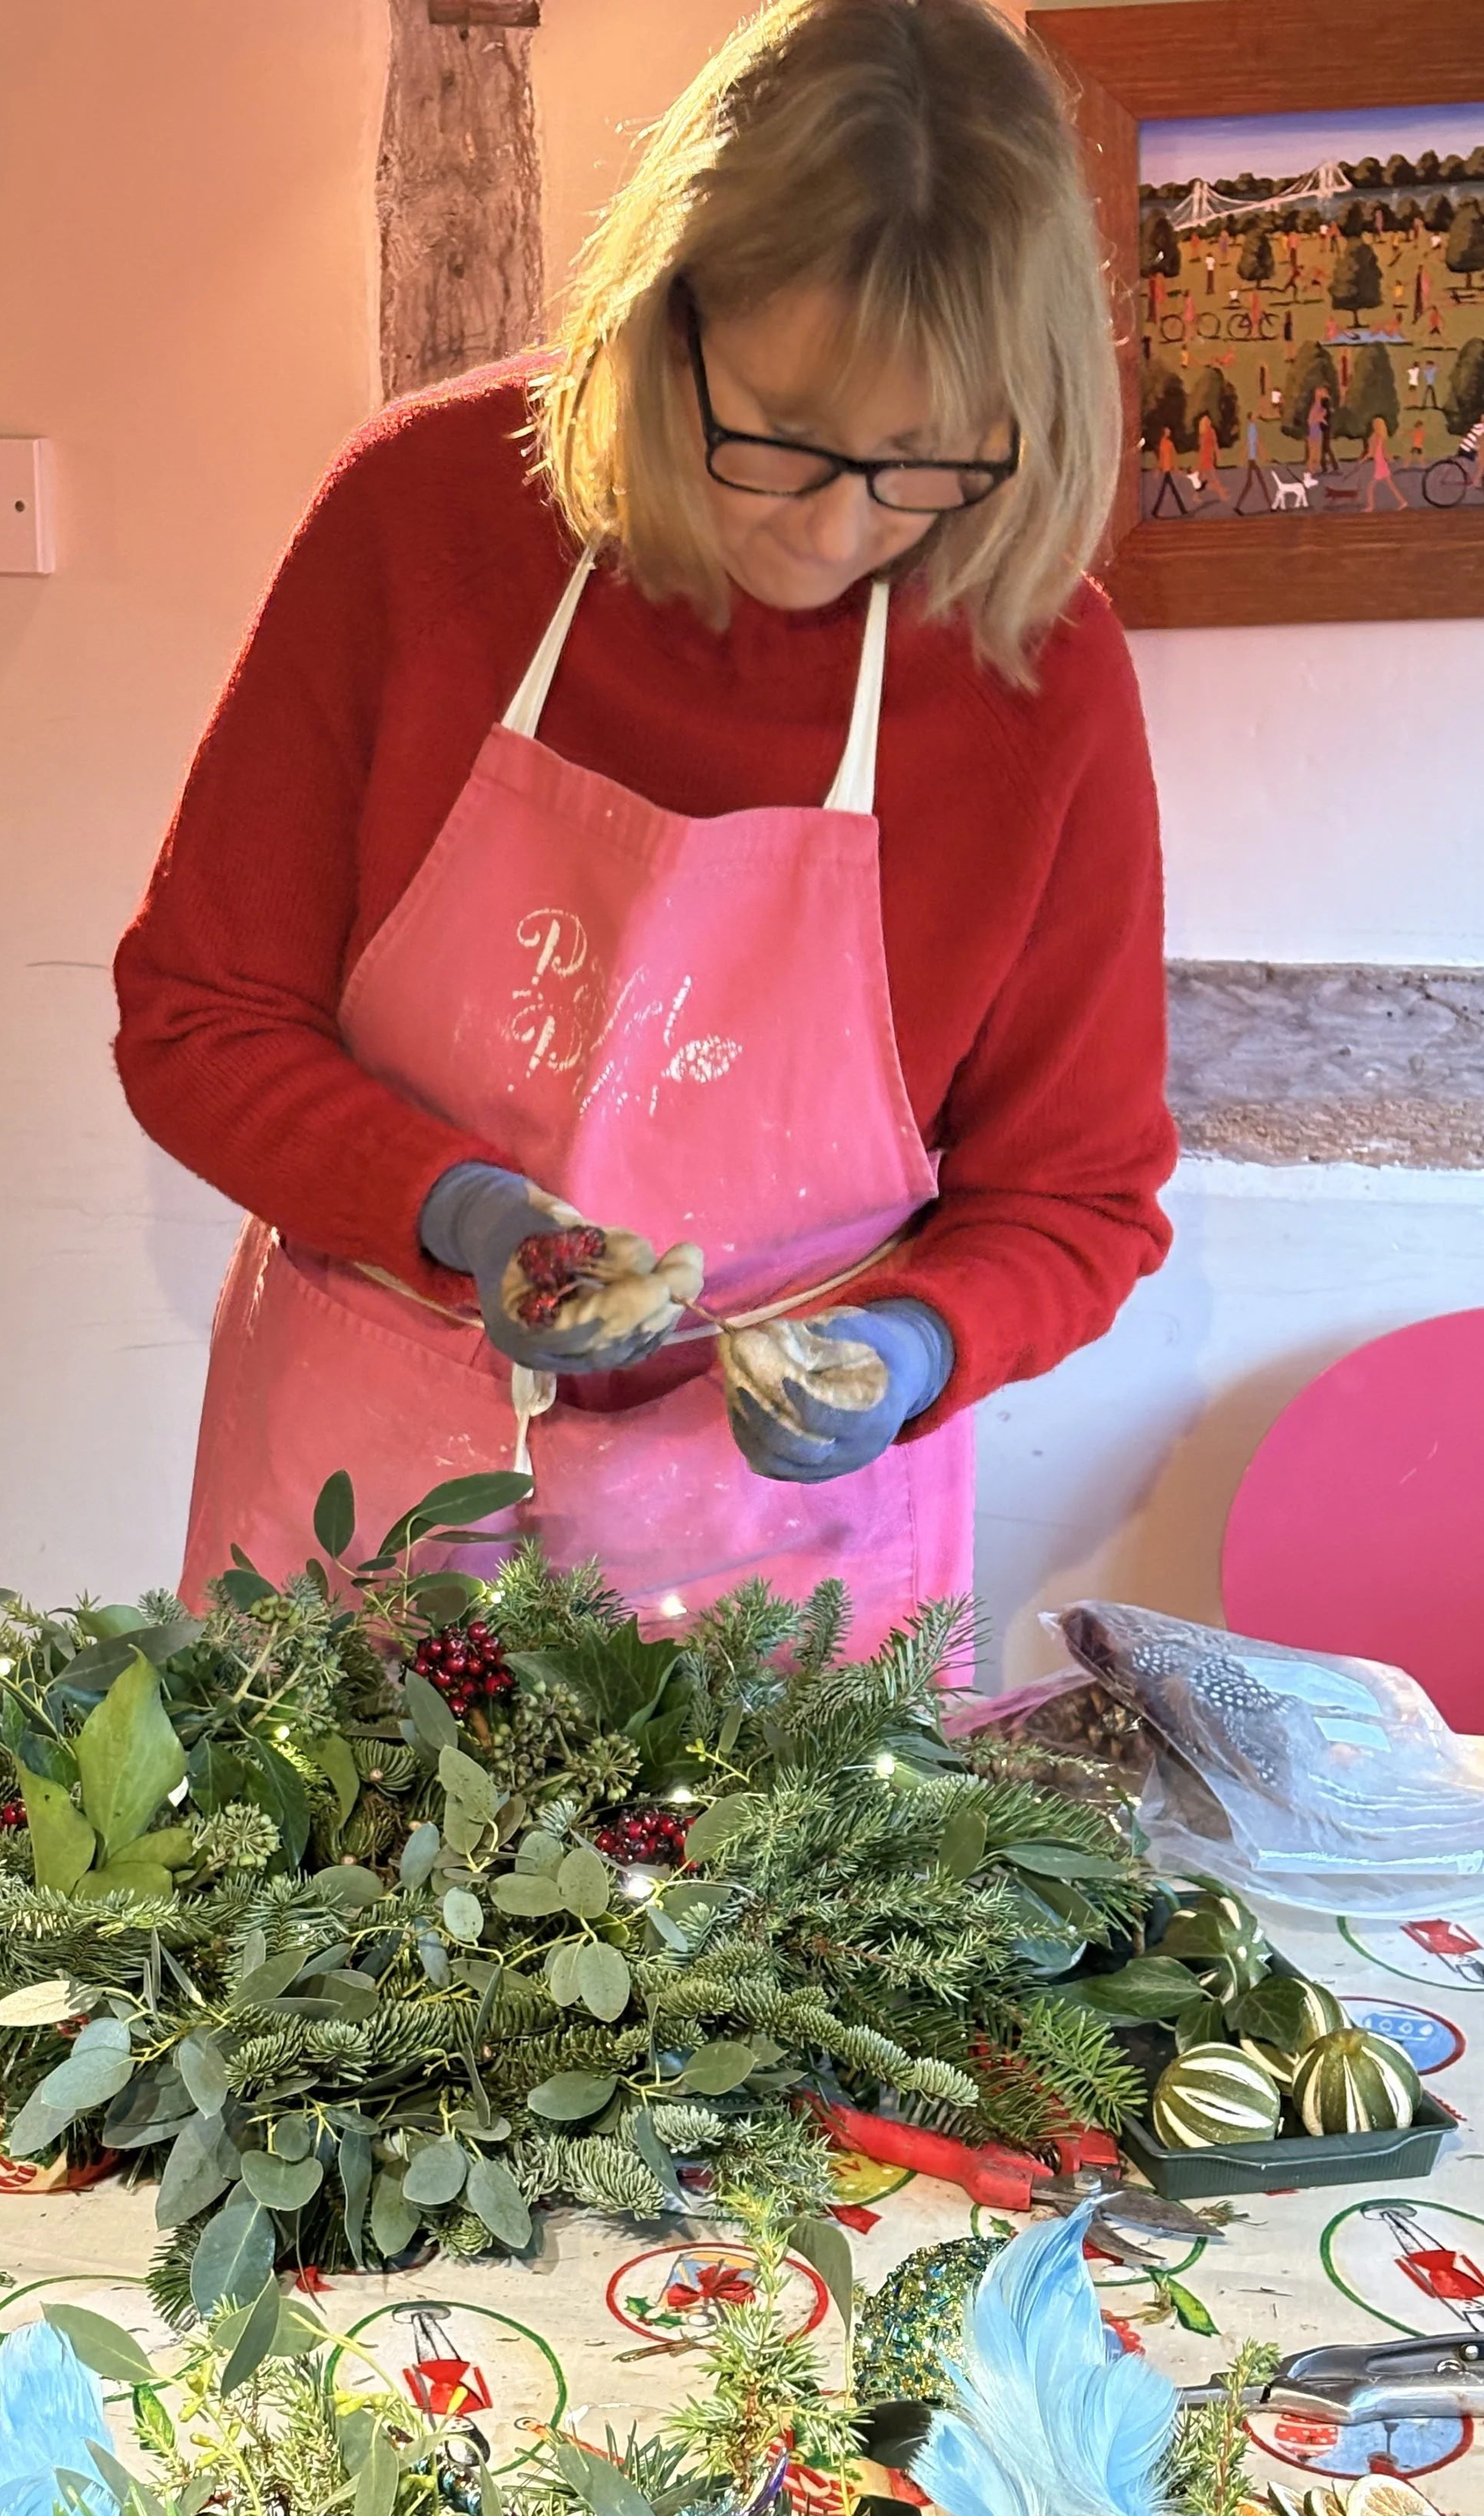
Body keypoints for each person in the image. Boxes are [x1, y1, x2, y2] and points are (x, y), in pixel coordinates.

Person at [114, 0, 1175, 1645]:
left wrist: (911, 1346)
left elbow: (1073, 1194)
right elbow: (196, 1015)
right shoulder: (431, 520)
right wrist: (451, 1214)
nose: (833, 528)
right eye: (777, 438)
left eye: (919, 463)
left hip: (785, 1557)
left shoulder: (1035, 670)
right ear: (658, 320)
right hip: (369, 1497)